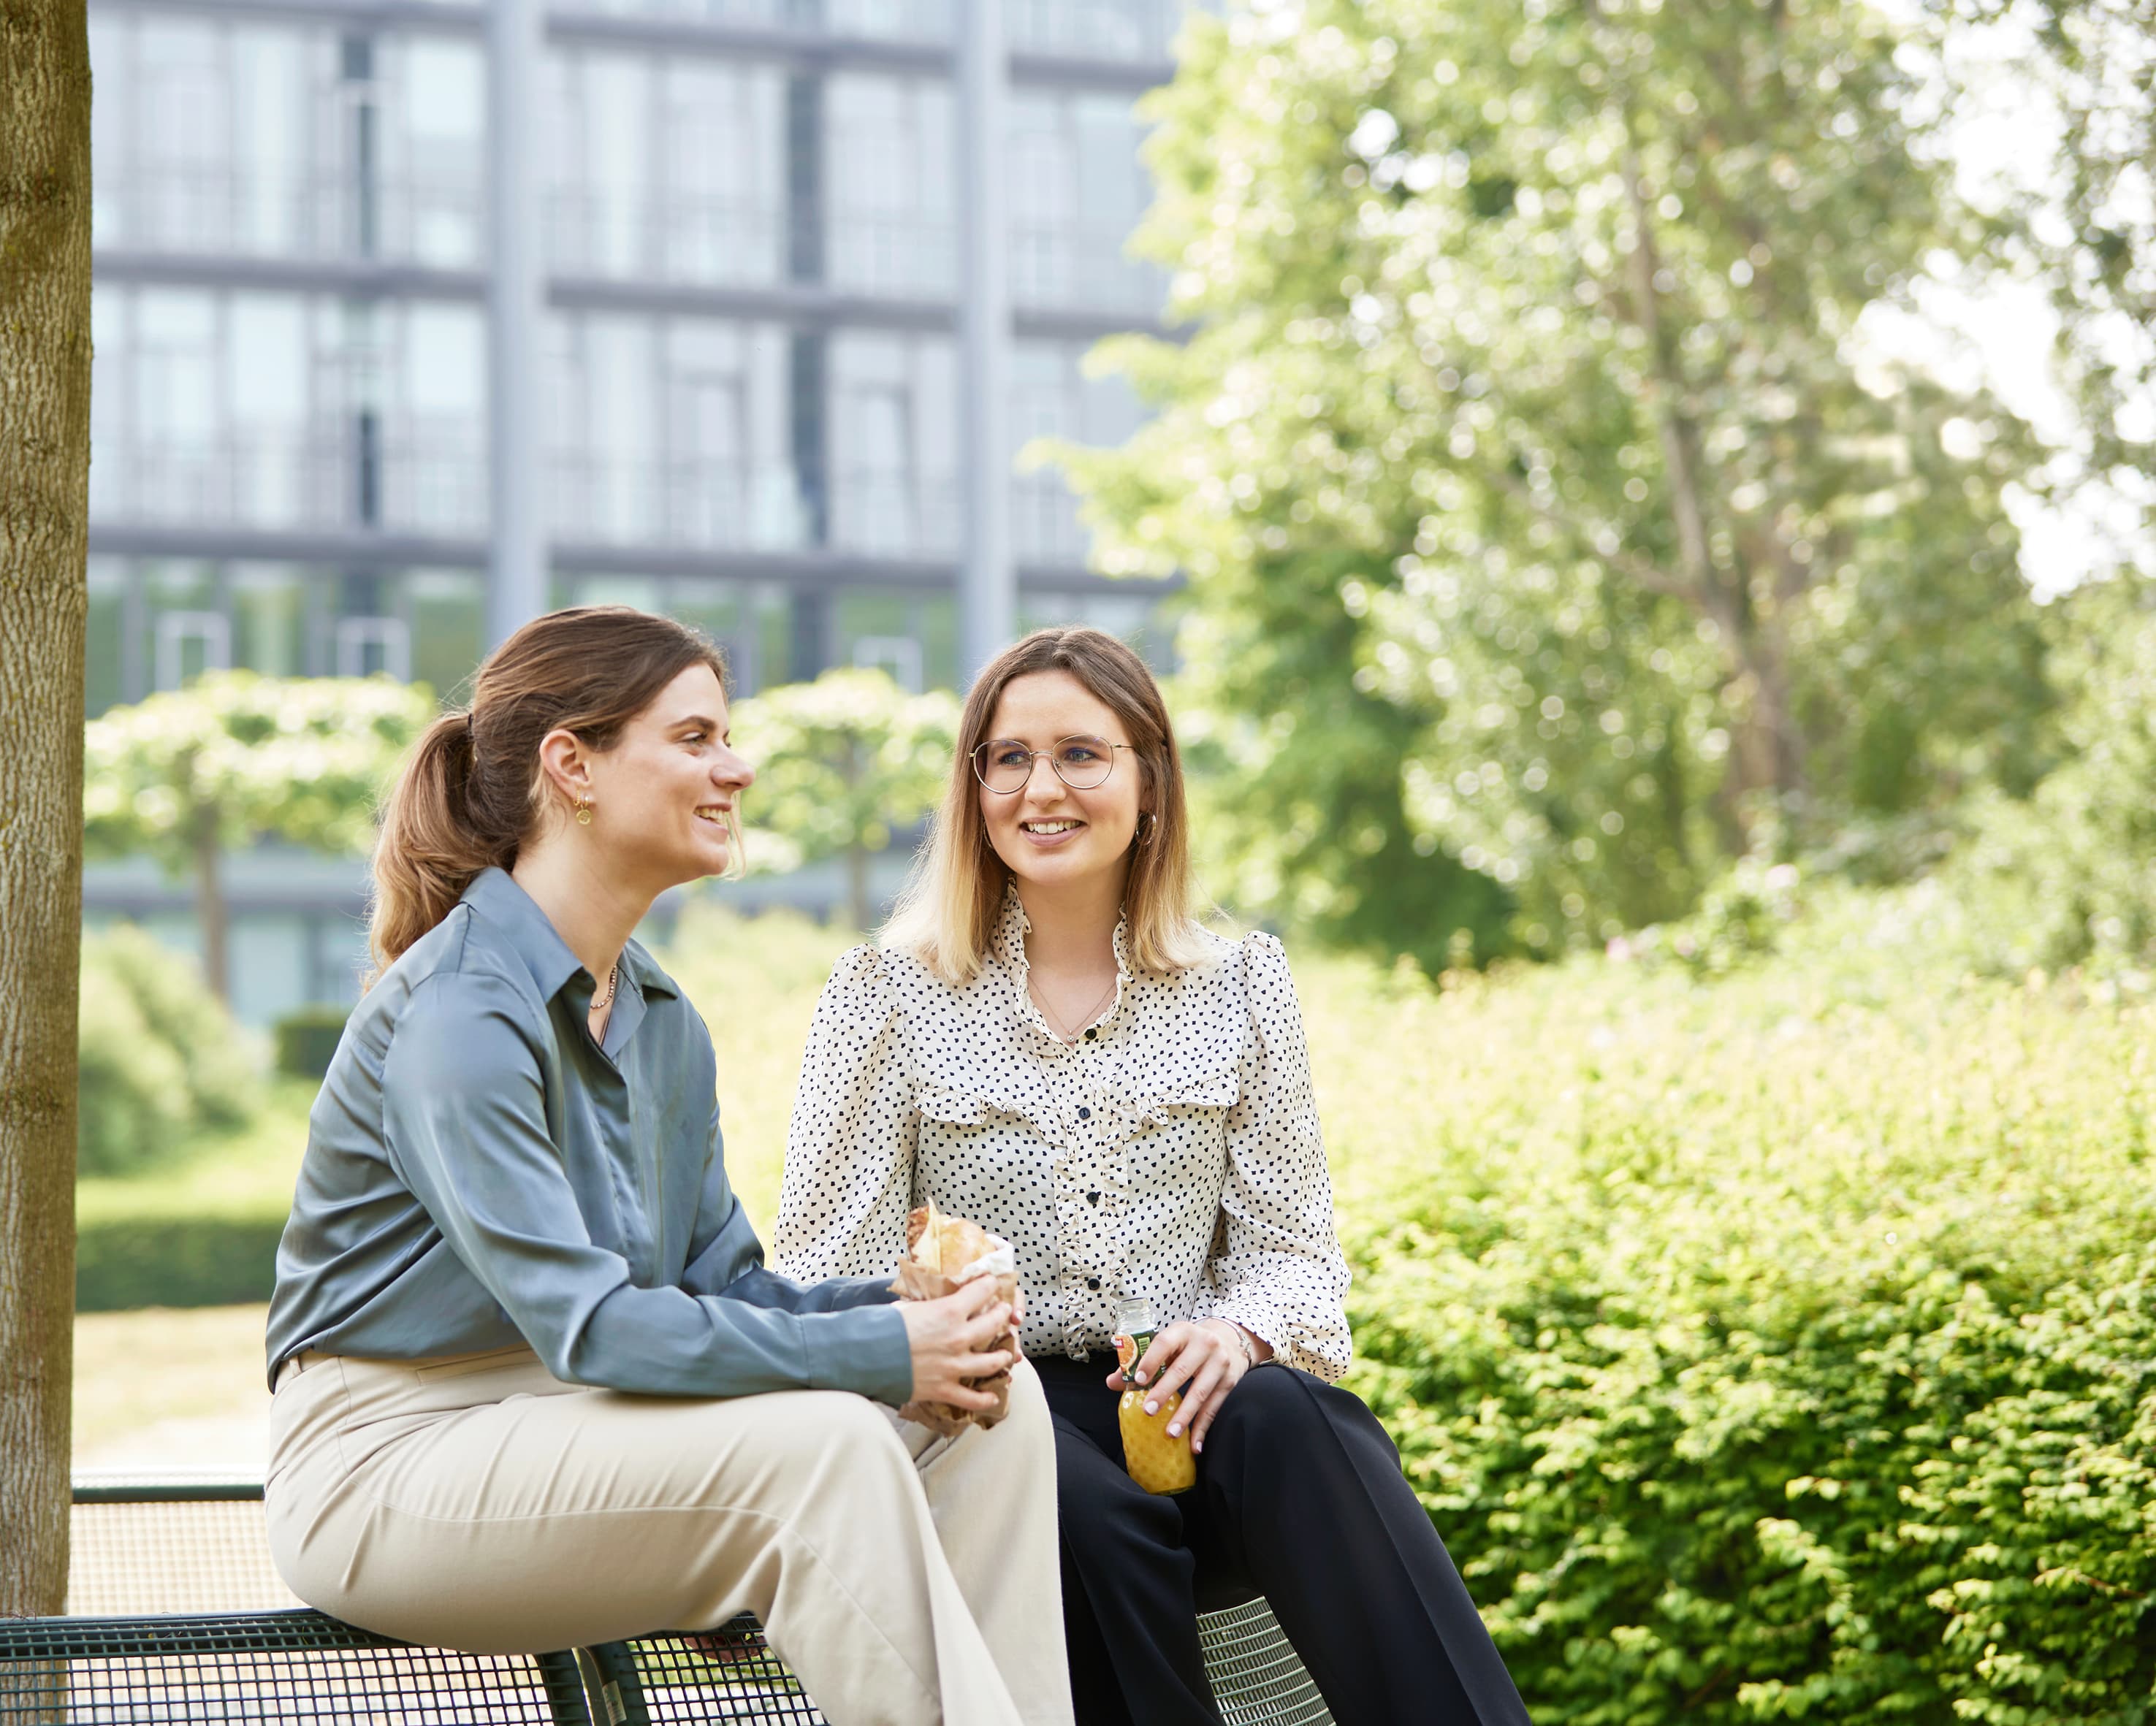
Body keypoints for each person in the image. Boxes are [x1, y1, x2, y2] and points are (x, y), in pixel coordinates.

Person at [264, 606, 1073, 1726]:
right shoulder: (460, 1014)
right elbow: (591, 1326)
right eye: (695, 739)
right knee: (830, 1444)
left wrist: (898, 1311)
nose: (735, 769)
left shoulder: (657, 1015)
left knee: (992, 1407)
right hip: (390, 1464)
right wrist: (879, 1350)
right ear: (573, 766)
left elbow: (721, 1285)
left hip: (584, 1425)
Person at [774, 626, 1531, 1726]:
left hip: (1182, 1394)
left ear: (1151, 783)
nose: (1043, 787)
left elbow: (1294, 1254)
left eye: (1082, 754)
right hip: (994, 1410)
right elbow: (820, 1272)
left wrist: (1237, 1336)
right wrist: (928, 1325)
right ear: (974, 784)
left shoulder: (1241, 985)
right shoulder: (886, 996)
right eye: (1010, 757)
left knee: (1302, 1422)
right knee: (1086, 1518)